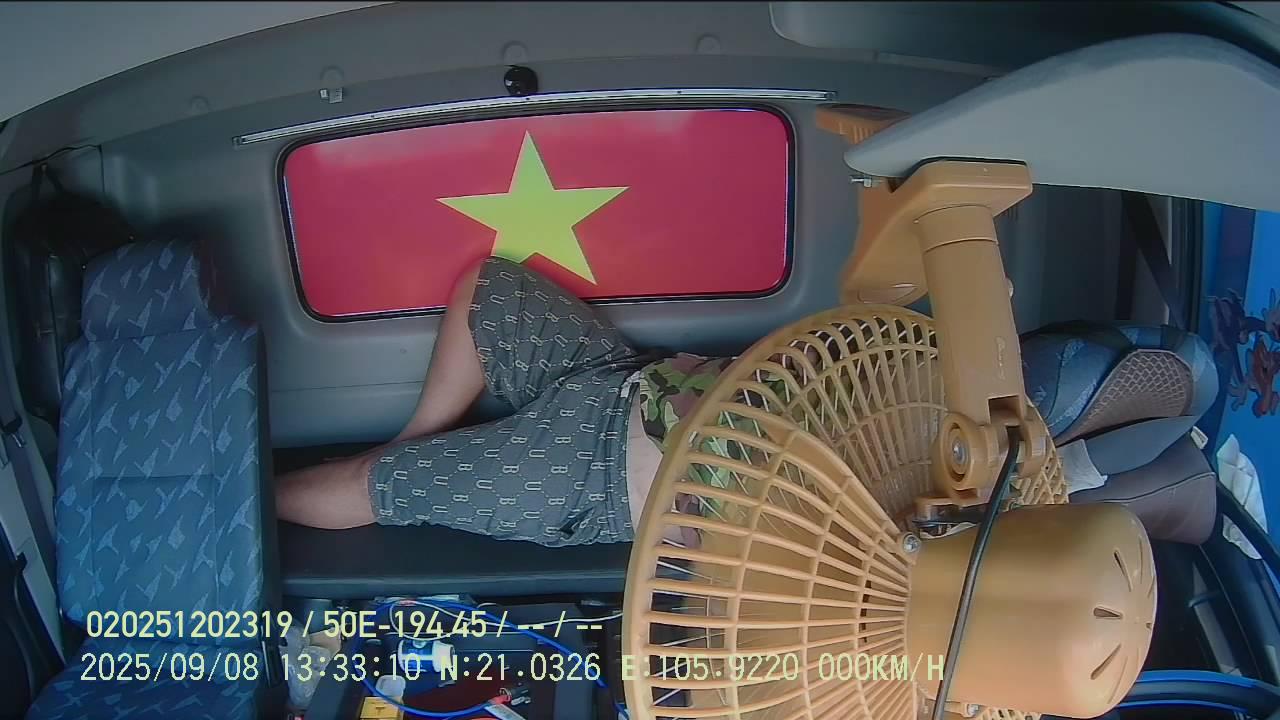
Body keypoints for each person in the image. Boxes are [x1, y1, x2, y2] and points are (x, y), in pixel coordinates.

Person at [276, 257, 731, 547]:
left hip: (602, 472)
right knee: (491, 288)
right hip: (639, 381)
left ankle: (239, 511)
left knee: (379, 482)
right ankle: (412, 441)